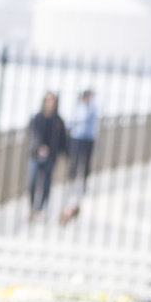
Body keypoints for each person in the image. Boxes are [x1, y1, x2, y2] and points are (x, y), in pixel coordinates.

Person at [27, 92, 68, 217]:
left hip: (51, 156)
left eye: (52, 101)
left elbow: (62, 139)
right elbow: (32, 135)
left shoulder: (58, 120)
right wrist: (38, 148)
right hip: (35, 155)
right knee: (32, 182)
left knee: (46, 183)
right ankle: (32, 207)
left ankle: (41, 208)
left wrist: (64, 154)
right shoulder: (37, 118)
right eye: (48, 100)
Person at [63, 88, 99, 221]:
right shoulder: (78, 107)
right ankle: (71, 183)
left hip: (88, 138)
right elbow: (72, 121)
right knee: (75, 162)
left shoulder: (93, 107)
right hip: (77, 137)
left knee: (86, 163)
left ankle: (84, 184)